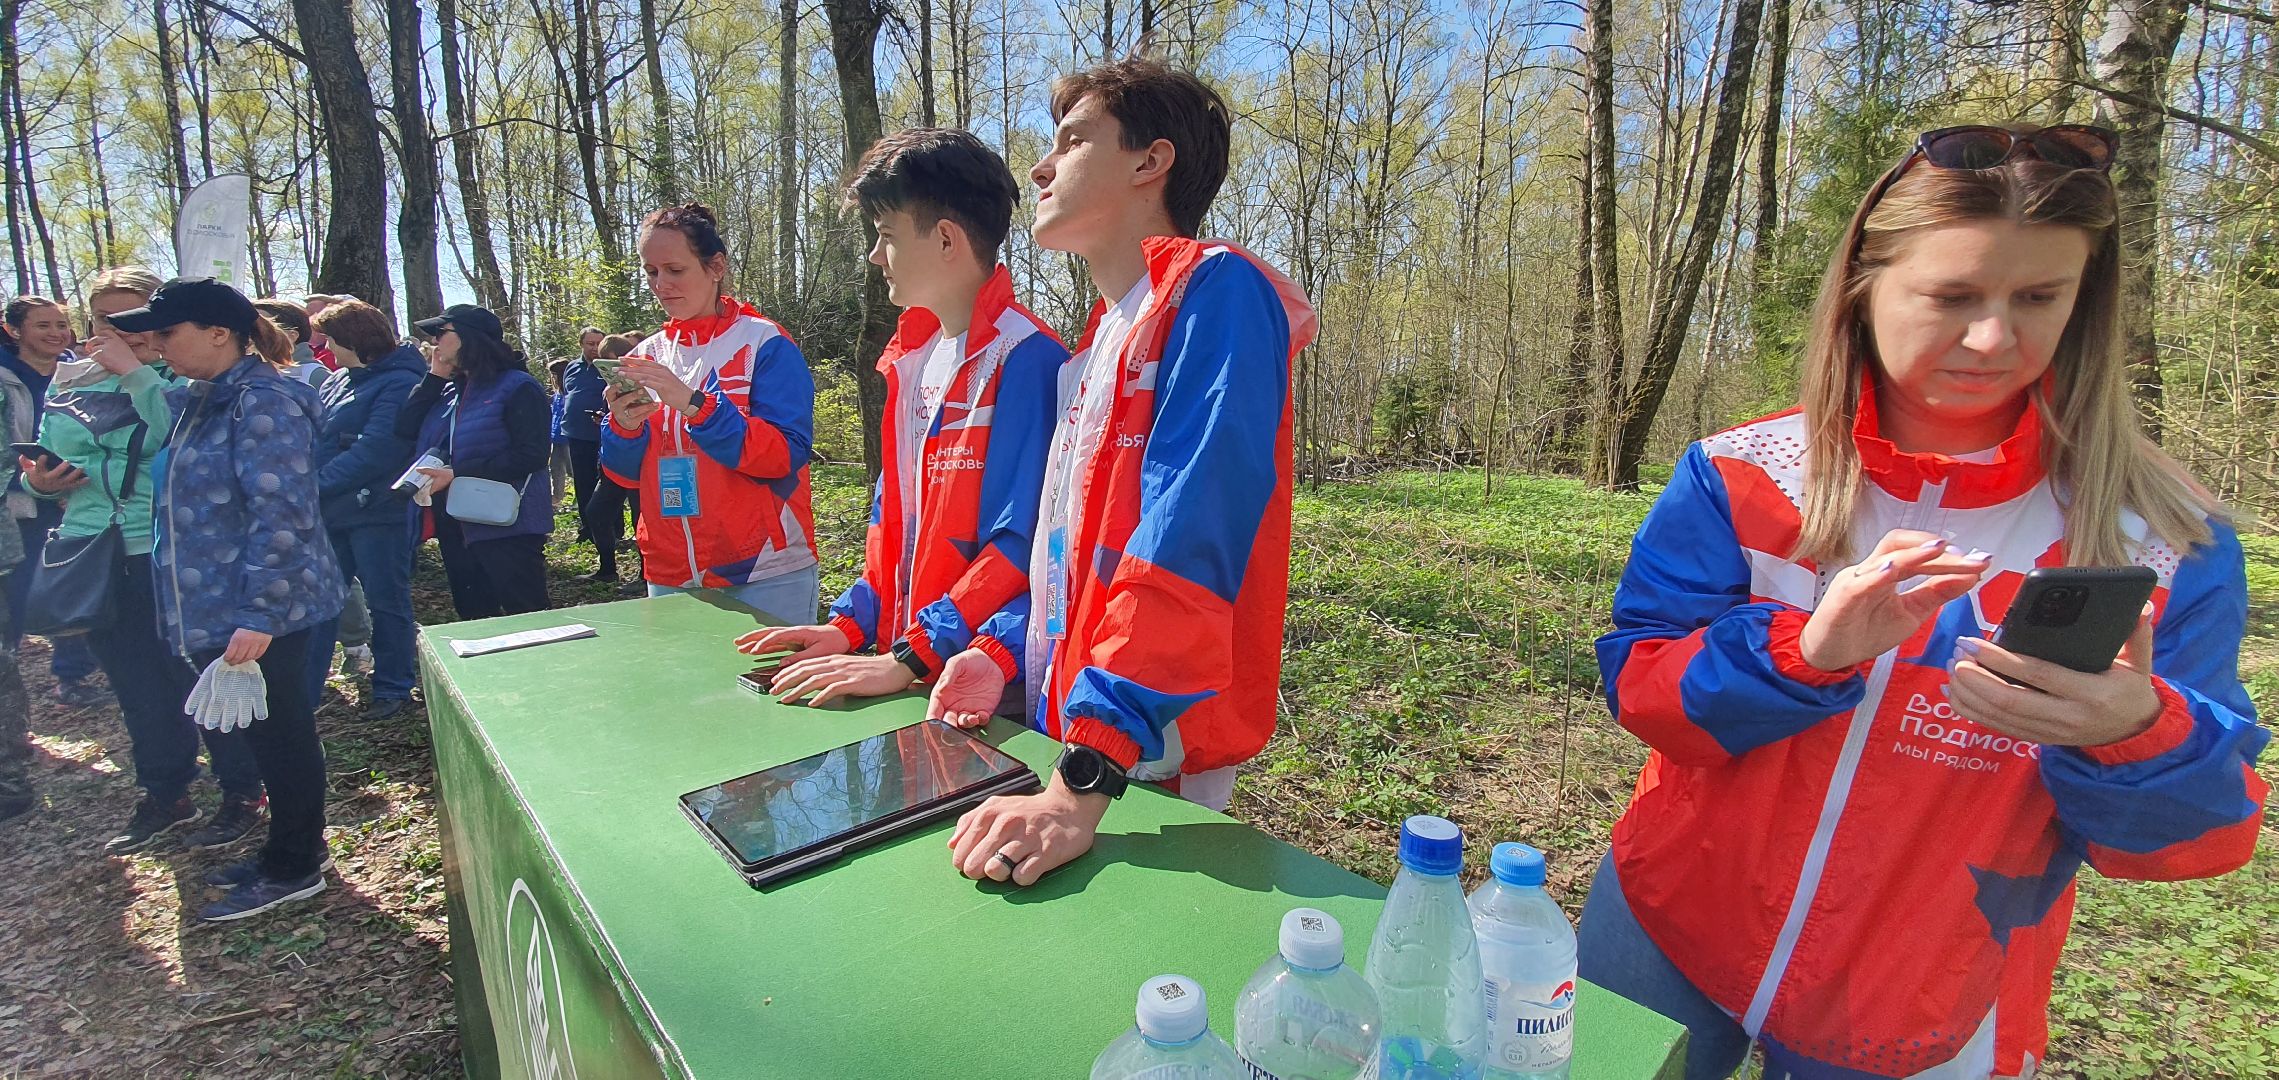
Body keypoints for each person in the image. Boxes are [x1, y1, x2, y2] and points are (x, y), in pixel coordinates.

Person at [1582, 125, 2270, 1080]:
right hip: (1666, 920)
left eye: (2038, 298)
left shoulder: (2162, 537)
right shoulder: (1744, 475)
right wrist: (1800, 657)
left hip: (1928, 1000)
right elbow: (1638, 685)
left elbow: (2208, 839)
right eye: (1951, 297)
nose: (1993, 338)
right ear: (1863, 290)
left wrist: (2134, 732)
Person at [936, 61, 1319, 889]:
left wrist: (1085, 775)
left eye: (1072, 142)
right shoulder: (1093, 349)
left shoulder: (1217, 290)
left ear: (1151, 162)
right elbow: (1071, 565)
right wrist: (1003, 653)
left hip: (1144, 757)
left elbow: (1187, 537)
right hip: (1077, 743)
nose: (1039, 167)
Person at [741, 129, 1066, 717]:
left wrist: (915, 651)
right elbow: (894, 527)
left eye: (886, 236)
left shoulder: (1028, 357)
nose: (873, 255)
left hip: (985, 687)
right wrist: (846, 626)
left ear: (946, 238)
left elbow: (1023, 548)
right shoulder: (910, 361)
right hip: (909, 669)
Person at [113, 276, 345, 921]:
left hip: (262, 609)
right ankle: (288, 849)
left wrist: (260, 614)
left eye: (166, 332)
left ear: (218, 333)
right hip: (222, 602)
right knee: (266, 737)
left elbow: (283, 512)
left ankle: (297, 863)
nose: (154, 343)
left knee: (282, 735)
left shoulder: (263, 400)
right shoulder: (204, 398)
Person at [19, 267, 267, 851]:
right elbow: (34, 467)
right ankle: (166, 792)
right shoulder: (71, 382)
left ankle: (242, 792)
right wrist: (41, 486)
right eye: (106, 317)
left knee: (202, 679)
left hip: (168, 552)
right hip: (92, 551)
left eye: (134, 316)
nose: (122, 330)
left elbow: (187, 441)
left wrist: (136, 377)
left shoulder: (180, 378)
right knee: (137, 687)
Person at [599, 203, 818, 621]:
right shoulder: (645, 354)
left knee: (769, 687)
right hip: (670, 571)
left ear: (715, 266)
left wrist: (696, 406)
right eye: (651, 272)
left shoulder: (764, 343)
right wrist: (623, 427)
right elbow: (623, 475)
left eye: (674, 269)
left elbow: (784, 455)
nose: (661, 284)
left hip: (762, 570)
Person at [306, 299, 424, 720]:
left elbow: (378, 449)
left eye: (332, 340)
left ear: (354, 339)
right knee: (320, 597)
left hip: (377, 510)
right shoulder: (339, 380)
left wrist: (314, 485)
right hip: (332, 509)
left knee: (384, 600)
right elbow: (318, 436)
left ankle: (393, 684)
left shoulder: (398, 382)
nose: (327, 348)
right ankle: (305, 686)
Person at [398, 304, 554, 619]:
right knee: (474, 618)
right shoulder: (453, 390)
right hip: (458, 521)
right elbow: (404, 429)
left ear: (470, 338)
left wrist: (457, 474)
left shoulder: (518, 387)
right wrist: (433, 378)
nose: (435, 342)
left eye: (442, 333)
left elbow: (532, 454)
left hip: (509, 522)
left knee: (528, 617)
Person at [1, 296, 106, 708]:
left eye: (62, 324)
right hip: (20, 503)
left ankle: (74, 674)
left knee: (78, 582)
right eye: (43, 325)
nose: (56, 333)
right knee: (22, 590)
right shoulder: (7, 379)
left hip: (82, 494)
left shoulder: (84, 372)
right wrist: (29, 479)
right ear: (14, 330)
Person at [583, 333, 644, 589]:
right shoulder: (612, 386)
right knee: (596, 512)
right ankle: (607, 569)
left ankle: (646, 576)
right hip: (612, 462)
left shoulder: (645, 379)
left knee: (641, 519)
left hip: (640, 462)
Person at [252, 298, 328, 387]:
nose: (250, 335)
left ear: (291, 336)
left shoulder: (316, 376)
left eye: (260, 328)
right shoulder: (250, 373)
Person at [547, 357, 573, 514]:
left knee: (572, 470)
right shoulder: (557, 394)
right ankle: (556, 500)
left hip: (568, 437)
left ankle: (579, 500)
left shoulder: (570, 392)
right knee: (556, 469)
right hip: (555, 437)